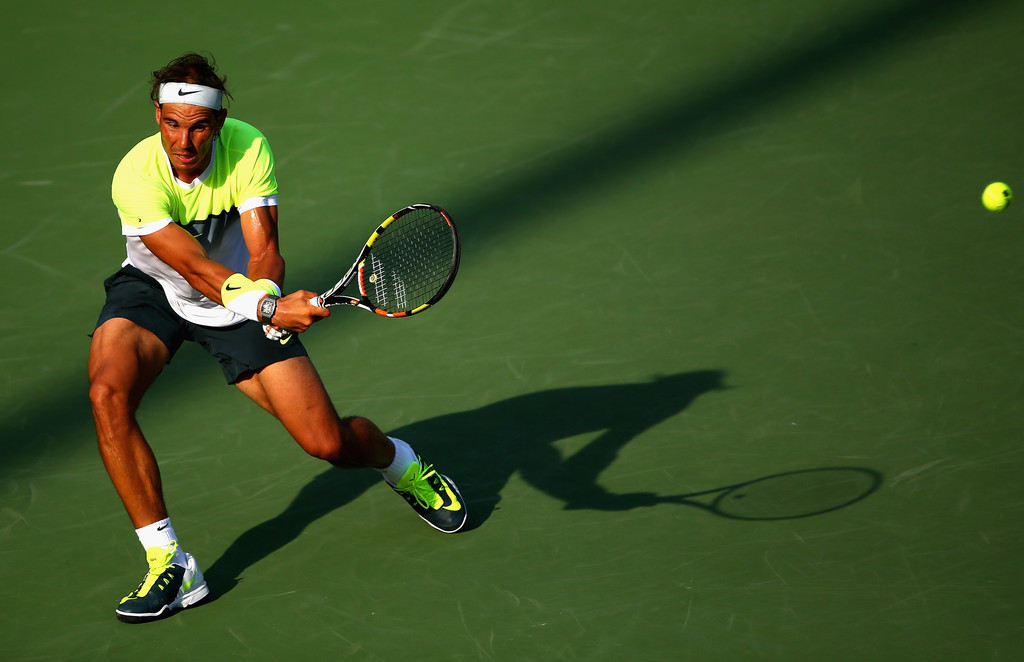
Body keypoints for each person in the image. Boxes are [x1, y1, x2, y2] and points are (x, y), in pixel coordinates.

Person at [88, 52, 466, 624]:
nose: (183, 141)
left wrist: (268, 299)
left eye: (197, 126)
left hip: (240, 303)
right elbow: (191, 267)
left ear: (217, 124)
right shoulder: (134, 176)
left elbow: (264, 247)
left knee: (328, 444)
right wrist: (267, 303)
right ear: (156, 116)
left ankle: (403, 463)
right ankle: (170, 561)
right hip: (156, 291)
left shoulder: (248, 147)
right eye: (170, 123)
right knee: (106, 395)